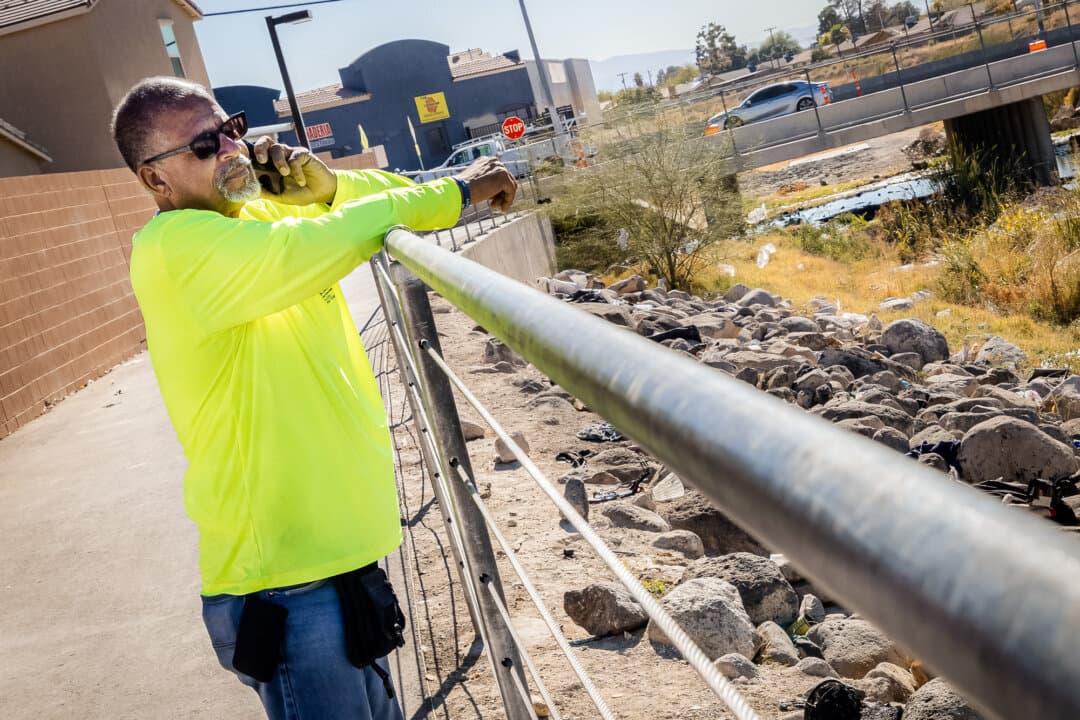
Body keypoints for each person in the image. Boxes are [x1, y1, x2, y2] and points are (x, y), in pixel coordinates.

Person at [111, 76, 516, 720]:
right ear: (155, 180)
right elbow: (337, 236)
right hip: (287, 588)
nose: (233, 151)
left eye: (232, 129)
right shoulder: (174, 249)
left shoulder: (257, 216)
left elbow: (381, 208)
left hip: (341, 565)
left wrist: (326, 186)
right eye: (207, 145)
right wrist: (462, 191)